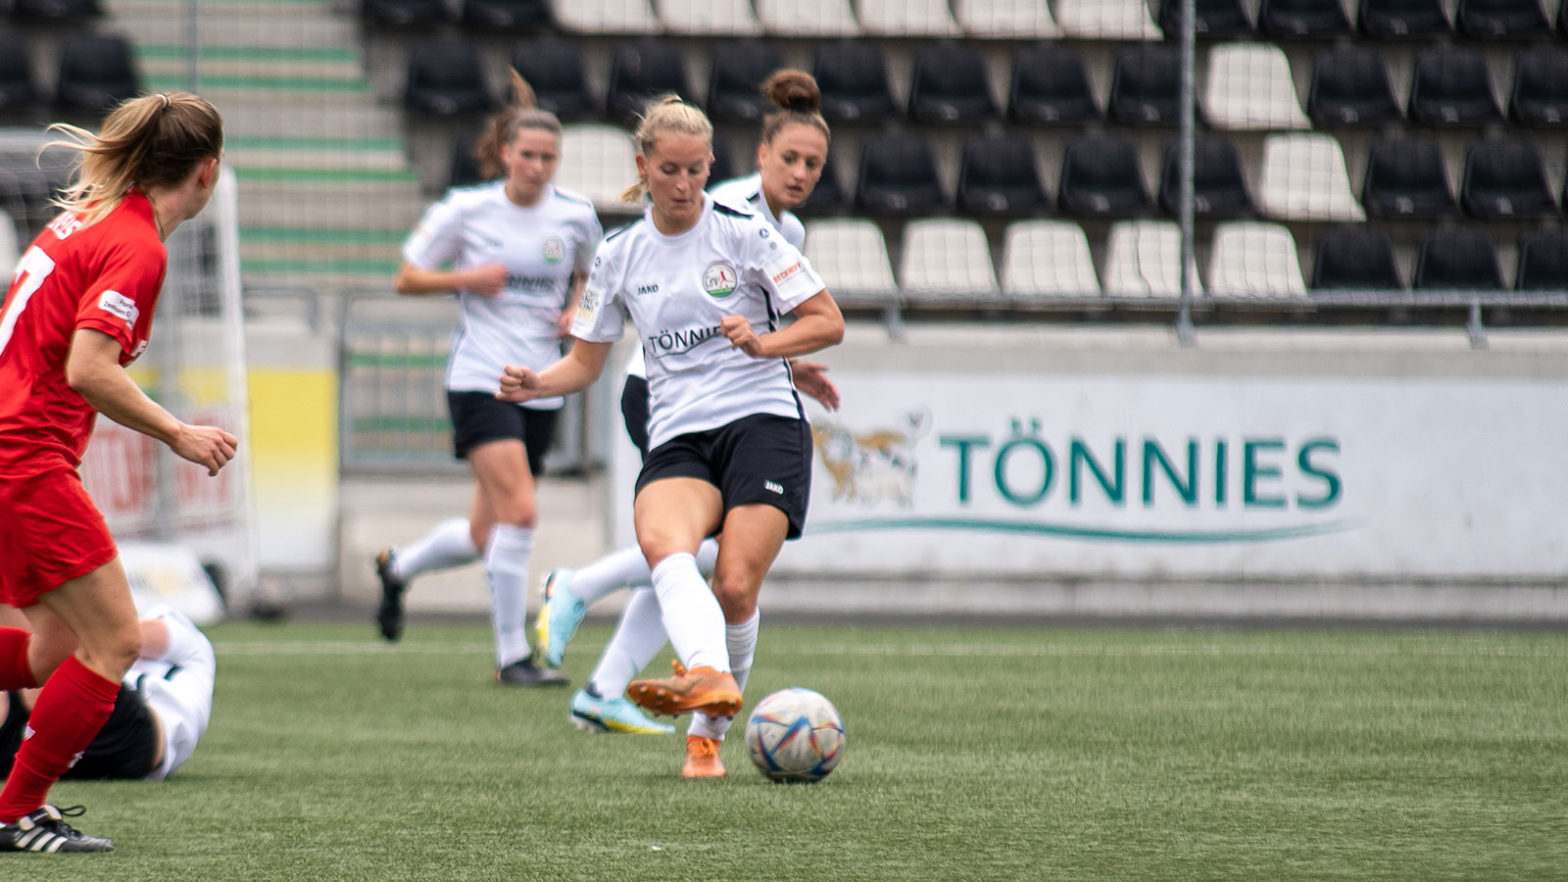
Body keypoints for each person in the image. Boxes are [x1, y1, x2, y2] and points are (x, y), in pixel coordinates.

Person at [496, 90, 844, 777]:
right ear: (642, 166)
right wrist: (539, 383)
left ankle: (705, 738)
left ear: (713, 165)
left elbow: (827, 320)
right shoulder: (621, 255)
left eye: (695, 170)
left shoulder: (745, 232)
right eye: (669, 171)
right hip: (679, 430)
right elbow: (586, 362)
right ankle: (709, 675)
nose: (683, 185)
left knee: (737, 586)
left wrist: (767, 347)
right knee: (665, 546)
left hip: (762, 422)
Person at [0, 91, 233, 853]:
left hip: (13, 450)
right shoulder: (138, 244)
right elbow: (89, 367)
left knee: (48, 653)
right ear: (207, 172)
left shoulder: (89, 218)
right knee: (116, 644)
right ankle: (17, 812)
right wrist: (178, 433)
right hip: (24, 457)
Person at [371, 72, 601, 687]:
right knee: (521, 512)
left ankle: (399, 569)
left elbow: (593, 278)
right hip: (481, 377)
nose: (538, 166)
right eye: (528, 155)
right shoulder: (466, 210)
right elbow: (407, 277)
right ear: (506, 154)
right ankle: (511, 658)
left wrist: (578, 307)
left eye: (549, 157)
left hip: (542, 380)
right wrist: (466, 279)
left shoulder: (576, 216)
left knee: (485, 532)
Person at [0, 605, 216, 783]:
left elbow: (123, 639)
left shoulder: (186, 634)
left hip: (142, 738)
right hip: (104, 749)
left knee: (50, 657)